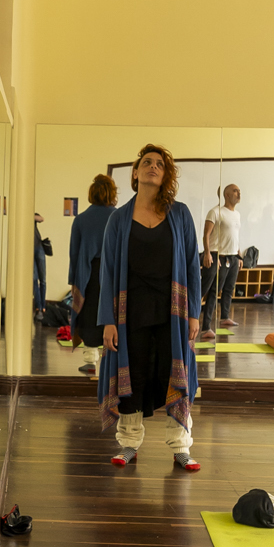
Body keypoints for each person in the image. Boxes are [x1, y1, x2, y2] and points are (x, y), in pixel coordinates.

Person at [97, 145, 201, 471]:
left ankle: (181, 447)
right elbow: (107, 272)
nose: (153, 167)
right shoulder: (118, 219)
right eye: (147, 162)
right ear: (135, 172)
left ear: (165, 174)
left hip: (174, 313)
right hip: (131, 313)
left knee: (174, 374)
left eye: (159, 164)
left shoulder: (180, 214)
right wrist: (108, 320)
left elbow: (192, 265)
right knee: (134, 375)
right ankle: (128, 444)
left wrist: (195, 314)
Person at [68, 174, 117, 377]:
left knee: (88, 314)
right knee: (112, 312)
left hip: (88, 273)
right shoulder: (118, 216)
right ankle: (111, 361)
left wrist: (73, 281)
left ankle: (90, 360)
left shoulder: (81, 219)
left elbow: (74, 254)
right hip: (113, 273)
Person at [200, 183, 244, 338]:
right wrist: (208, 254)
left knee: (229, 289)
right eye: (235, 191)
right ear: (226, 195)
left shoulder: (237, 214)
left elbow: (235, 237)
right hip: (219, 256)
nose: (239, 193)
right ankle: (205, 327)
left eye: (239, 191)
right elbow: (206, 234)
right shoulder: (215, 212)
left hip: (233, 257)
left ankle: (224, 317)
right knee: (212, 291)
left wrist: (239, 255)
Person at [33, 214, 48, 318]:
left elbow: (41, 219)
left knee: (43, 280)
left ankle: (43, 306)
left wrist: (29, 215)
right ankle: (39, 307)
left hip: (39, 248)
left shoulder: (32, 215)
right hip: (28, 250)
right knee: (34, 280)